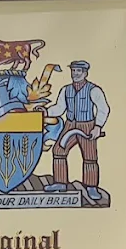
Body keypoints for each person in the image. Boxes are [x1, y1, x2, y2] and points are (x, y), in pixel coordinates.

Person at [47, 60, 109, 202]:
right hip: (70, 124)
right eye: (73, 70)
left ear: (85, 73)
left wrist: (97, 127)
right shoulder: (66, 90)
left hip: (87, 125)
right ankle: (60, 182)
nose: (75, 73)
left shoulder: (94, 90)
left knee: (89, 156)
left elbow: (103, 108)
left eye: (78, 71)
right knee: (59, 150)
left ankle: (91, 187)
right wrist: (46, 112)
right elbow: (59, 108)